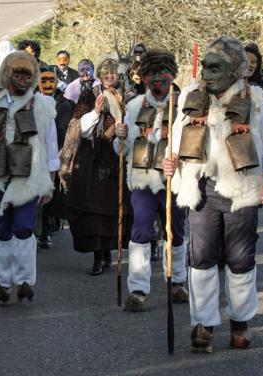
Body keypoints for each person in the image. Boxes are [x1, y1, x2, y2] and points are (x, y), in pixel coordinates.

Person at [163, 36, 263, 353]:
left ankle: (240, 322)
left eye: (215, 67)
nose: (207, 74)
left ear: (235, 69)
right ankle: (204, 324)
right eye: (206, 67)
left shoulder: (256, 101)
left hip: (241, 187)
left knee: (240, 258)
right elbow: (176, 140)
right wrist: (169, 162)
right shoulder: (189, 99)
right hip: (201, 188)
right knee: (202, 258)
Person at [0, 51, 58, 304]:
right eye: (17, 74)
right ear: (7, 75)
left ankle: (25, 280)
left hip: (30, 179)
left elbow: (50, 147)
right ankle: (1, 283)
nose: (22, 79)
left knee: (23, 228)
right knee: (0, 230)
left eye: (27, 74)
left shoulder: (43, 106)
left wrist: (49, 183)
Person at [114, 50, 188, 311]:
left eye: (163, 73)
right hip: (143, 179)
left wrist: (178, 157)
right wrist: (120, 135)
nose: (158, 79)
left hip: (174, 180)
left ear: (172, 75)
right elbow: (120, 149)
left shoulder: (183, 107)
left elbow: (195, 146)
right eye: (152, 74)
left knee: (175, 230)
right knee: (141, 229)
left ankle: (177, 280)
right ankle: (138, 288)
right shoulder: (134, 107)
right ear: (144, 78)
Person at [59, 55, 130, 276]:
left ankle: (108, 251)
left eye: (114, 73)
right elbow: (77, 126)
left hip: (116, 157)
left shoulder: (126, 97)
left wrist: (121, 132)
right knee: (93, 208)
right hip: (91, 158)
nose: (110, 76)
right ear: (100, 75)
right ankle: (98, 256)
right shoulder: (90, 94)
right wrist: (96, 112)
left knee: (112, 207)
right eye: (106, 72)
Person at [36, 65, 75, 249]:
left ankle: (46, 231)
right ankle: (39, 231)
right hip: (36, 158)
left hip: (58, 154)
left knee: (50, 195)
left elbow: (65, 130)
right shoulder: (33, 102)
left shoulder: (64, 103)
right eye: (43, 80)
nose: (48, 84)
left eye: (51, 80)